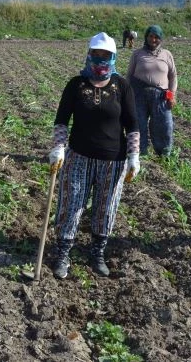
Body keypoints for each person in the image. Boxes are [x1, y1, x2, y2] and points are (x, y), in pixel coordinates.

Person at [48, 32, 141, 279]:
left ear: (113, 57)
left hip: (113, 160)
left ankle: (97, 253)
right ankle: (63, 254)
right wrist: (58, 148)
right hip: (79, 156)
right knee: (71, 204)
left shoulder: (122, 86)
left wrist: (134, 155)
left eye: (106, 56)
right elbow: (61, 121)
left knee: (106, 206)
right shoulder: (76, 84)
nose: (101, 60)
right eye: (96, 55)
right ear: (89, 55)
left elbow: (132, 123)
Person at [127, 25, 177, 156]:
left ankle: (164, 153)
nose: (153, 39)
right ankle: (139, 153)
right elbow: (129, 76)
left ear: (160, 39)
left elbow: (173, 76)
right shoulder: (137, 54)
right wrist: (126, 96)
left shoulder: (167, 55)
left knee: (165, 125)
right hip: (139, 94)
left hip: (161, 95)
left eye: (156, 37)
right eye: (150, 36)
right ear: (146, 37)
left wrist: (171, 95)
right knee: (138, 124)